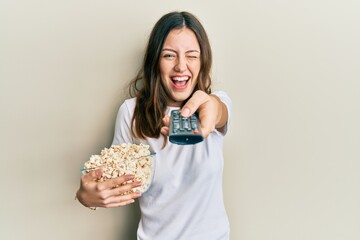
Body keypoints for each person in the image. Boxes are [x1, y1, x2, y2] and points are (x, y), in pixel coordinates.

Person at [76, 11, 232, 240]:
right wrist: (85, 196)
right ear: (155, 60)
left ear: (202, 61)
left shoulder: (216, 104)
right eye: (169, 55)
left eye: (192, 56)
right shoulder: (131, 113)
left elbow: (218, 111)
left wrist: (207, 111)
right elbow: (111, 180)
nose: (181, 66)